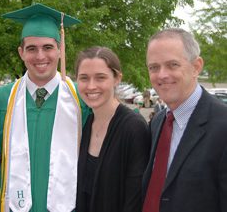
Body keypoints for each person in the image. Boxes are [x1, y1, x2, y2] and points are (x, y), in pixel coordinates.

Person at [0, 3, 90, 212]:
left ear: (60, 50)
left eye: (48, 47)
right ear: (21, 52)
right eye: (32, 48)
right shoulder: (2, 99)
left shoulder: (81, 98)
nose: (40, 56)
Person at [142, 28, 227, 212]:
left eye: (172, 65)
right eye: (154, 67)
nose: (162, 75)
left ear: (196, 67)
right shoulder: (157, 123)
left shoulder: (223, 126)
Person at [75, 46, 151, 212]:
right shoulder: (87, 122)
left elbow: (135, 200)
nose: (91, 86)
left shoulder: (133, 128)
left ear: (117, 78)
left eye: (100, 78)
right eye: (84, 78)